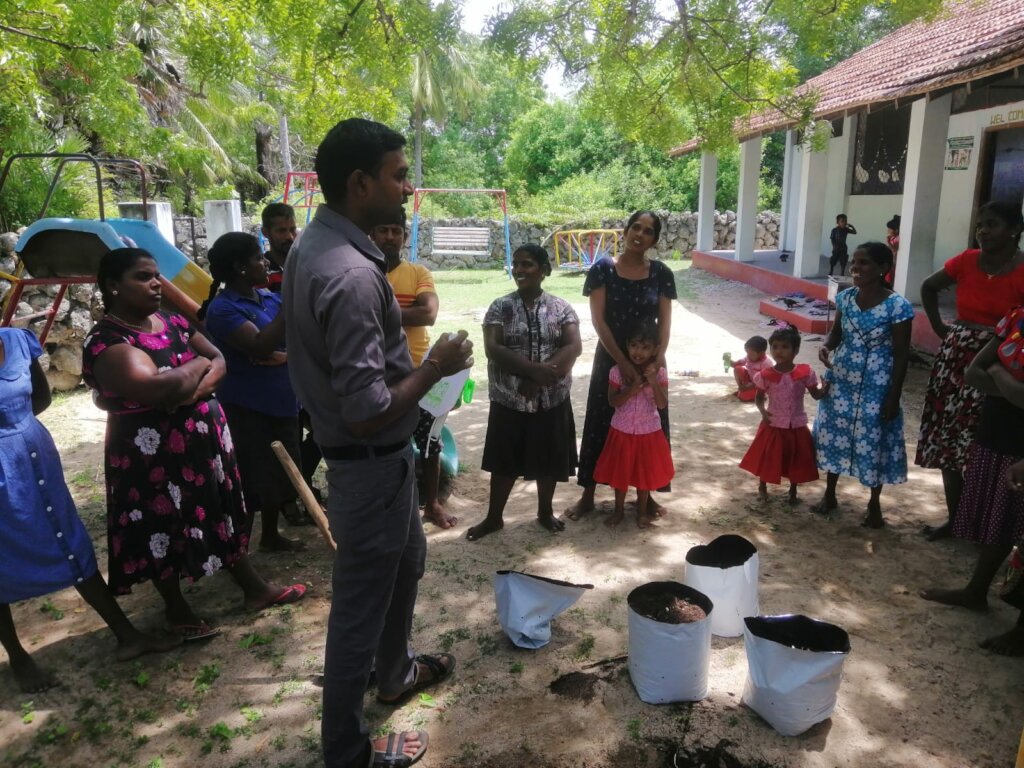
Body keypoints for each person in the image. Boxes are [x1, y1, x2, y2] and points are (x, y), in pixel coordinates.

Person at [282, 118, 471, 768]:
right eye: (398, 174)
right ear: (360, 184)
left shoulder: (313, 248)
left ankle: (394, 675)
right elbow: (365, 411)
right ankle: (347, 753)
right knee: (357, 615)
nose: (408, 186)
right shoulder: (355, 277)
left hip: (379, 466)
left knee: (409, 562)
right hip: (368, 465)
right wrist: (436, 367)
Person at [81, 248, 306, 641]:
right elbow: (157, 388)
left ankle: (253, 588)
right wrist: (191, 371)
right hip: (149, 454)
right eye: (142, 277)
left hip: (200, 441)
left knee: (217, 507)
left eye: (155, 275)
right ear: (113, 285)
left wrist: (188, 385)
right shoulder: (107, 339)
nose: (155, 283)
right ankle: (176, 609)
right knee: (160, 522)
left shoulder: (168, 321)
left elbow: (218, 359)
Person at [0, 327, 180, 693]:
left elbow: (40, 399)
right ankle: (18, 656)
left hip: (34, 457)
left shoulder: (17, 340)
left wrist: (16, 430)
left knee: (68, 537)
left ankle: (126, 634)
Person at [916, 201, 1024, 541]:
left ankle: (986, 529)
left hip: (998, 362)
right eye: (980, 225)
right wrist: (940, 328)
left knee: (985, 444)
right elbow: (929, 287)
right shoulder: (965, 261)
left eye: (991, 224)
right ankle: (956, 521)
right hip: (955, 358)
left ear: (1014, 230)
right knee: (949, 441)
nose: (983, 231)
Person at [920, 304, 1024, 658]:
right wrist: (1008, 384)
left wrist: (998, 372)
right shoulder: (1015, 318)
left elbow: (992, 374)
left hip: (1020, 447)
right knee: (999, 521)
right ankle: (976, 592)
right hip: (996, 433)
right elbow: (973, 372)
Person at [198, 231, 307, 552]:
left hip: (283, 402)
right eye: (258, 258)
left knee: (277, 475)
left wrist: (280, 354)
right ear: (239, 267)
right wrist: (282, 327)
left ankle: (270, 536)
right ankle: (236, 551)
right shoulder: (223, 309)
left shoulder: (269, 299)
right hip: (248, 408)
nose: (265, 262)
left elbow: (285, 343)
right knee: (249, 478)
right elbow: (260, 345)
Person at [466, 244, 582, 541]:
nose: (519, 270)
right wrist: (534, 371)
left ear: (544, 270)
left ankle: (544, 512)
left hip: (551, 398)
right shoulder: (499, 307)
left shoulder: (561, 308)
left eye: (527, 264)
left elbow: (573, 346)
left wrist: (543, 378)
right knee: (504, 462)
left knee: (549, 459)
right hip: (510, 398)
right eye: (516, 264)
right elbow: (494, 349)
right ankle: (494, 518)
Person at [568, 211, 677, 522]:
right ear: (626, 230)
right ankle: (588, 494)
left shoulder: (662, 273)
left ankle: (648, 493)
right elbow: (598, 320)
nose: (639, 235)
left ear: (654, 239)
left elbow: (666, 323)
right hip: (611, 357)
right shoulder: (603, 269)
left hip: (651, 359)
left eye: (647, 231)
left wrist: (657, 361)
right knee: (602, 421)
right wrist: (620, 360)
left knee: (651, 426)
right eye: (635, 227)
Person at [812, 242, 914, 528]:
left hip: (877, 384)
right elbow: (836, 334)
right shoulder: (845, 298)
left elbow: (901, 354)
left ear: (883, 269)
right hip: (843, 379)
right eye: (854, 262)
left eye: (864, 262)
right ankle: (830, 494)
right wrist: (826, 346)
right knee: (834, 434)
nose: (855, 267)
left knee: (874, 440)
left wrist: (893, 397)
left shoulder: (898, 306)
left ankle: (874, 505)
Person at [371, 208, 455, 530]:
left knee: (431, 440)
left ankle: (432, 502)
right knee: (385, 442)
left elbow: (428, 314)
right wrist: (407, 311)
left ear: (404, 237)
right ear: (371, 234)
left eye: (396, 231)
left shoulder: (419, 273)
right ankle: (389, 504)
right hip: (376, 373)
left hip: (422, 370)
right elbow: (416, 312)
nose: (390, 237)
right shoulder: (364, 272)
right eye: (383, 230)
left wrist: (375, 312)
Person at [592, 319, 674, 528]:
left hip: (649, 432)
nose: (639, 352)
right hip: (622, 430)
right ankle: (618, 511)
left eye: (646, 347)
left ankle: (642, 512)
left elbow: (662, 404)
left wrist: (653, 381)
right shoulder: (616, 372)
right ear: (626, 345)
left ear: (656, 349)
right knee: (620, 475)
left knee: (644, 476)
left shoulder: (661, 373)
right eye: (634, 345)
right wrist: (633, 387)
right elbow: (613, 401)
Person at [739, 326, 827, 503]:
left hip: (796, 424)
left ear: (796, 350)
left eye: (785, 347)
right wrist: (763, 413)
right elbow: (759, 398)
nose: (779, 351)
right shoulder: (766, 375)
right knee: (768, 457)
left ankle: (793, 491)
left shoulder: (805, 372)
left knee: (795, 458)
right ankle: (762, 486)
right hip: (773, 423)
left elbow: (816, 394)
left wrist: (825, 388)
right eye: (775, 347)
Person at [261, 202, 297, 293]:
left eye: (293, 230)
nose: (290, 236)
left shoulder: (307, 266)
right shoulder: (260, 273)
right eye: (282, 231)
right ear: (265, 232)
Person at [729, 335, 771, 402]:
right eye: (747, 353)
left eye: (751, 354)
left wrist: (747, 387)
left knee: (743, 397)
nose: (748, 356)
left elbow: (763, 382)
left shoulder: (766, 363)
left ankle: (761, 396)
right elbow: (739, 363)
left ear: (762, 353)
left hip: (759, 386)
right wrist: (731, 362)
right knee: (737, 368)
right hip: (749, 380)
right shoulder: (749, 357)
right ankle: (741, 389)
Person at [884, 214, 900, 286]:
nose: (888, 230)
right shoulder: (892, 238)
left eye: (890, 229)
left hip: (894, 261)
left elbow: (894, 250)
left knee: (891, 276)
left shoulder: (897, 238)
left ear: (896, 230)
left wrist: (888, 242)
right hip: (890, 260)